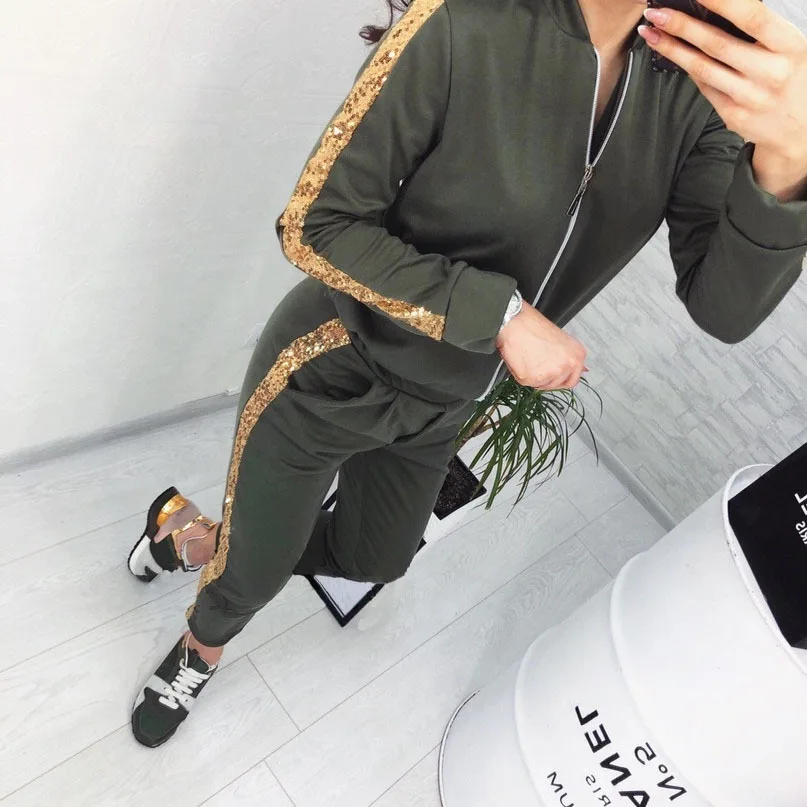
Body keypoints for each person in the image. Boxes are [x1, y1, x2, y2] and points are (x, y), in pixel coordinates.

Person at [127, 0, 807, 747]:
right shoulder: (463, 22)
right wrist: (502, 315)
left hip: (445, 401)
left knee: (374, 557)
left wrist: (787, 159)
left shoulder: (693, 93)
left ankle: (196, 538)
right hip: (333, 365)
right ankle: (202, 645)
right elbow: (314, 225)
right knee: (253, 575)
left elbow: (723, 309)